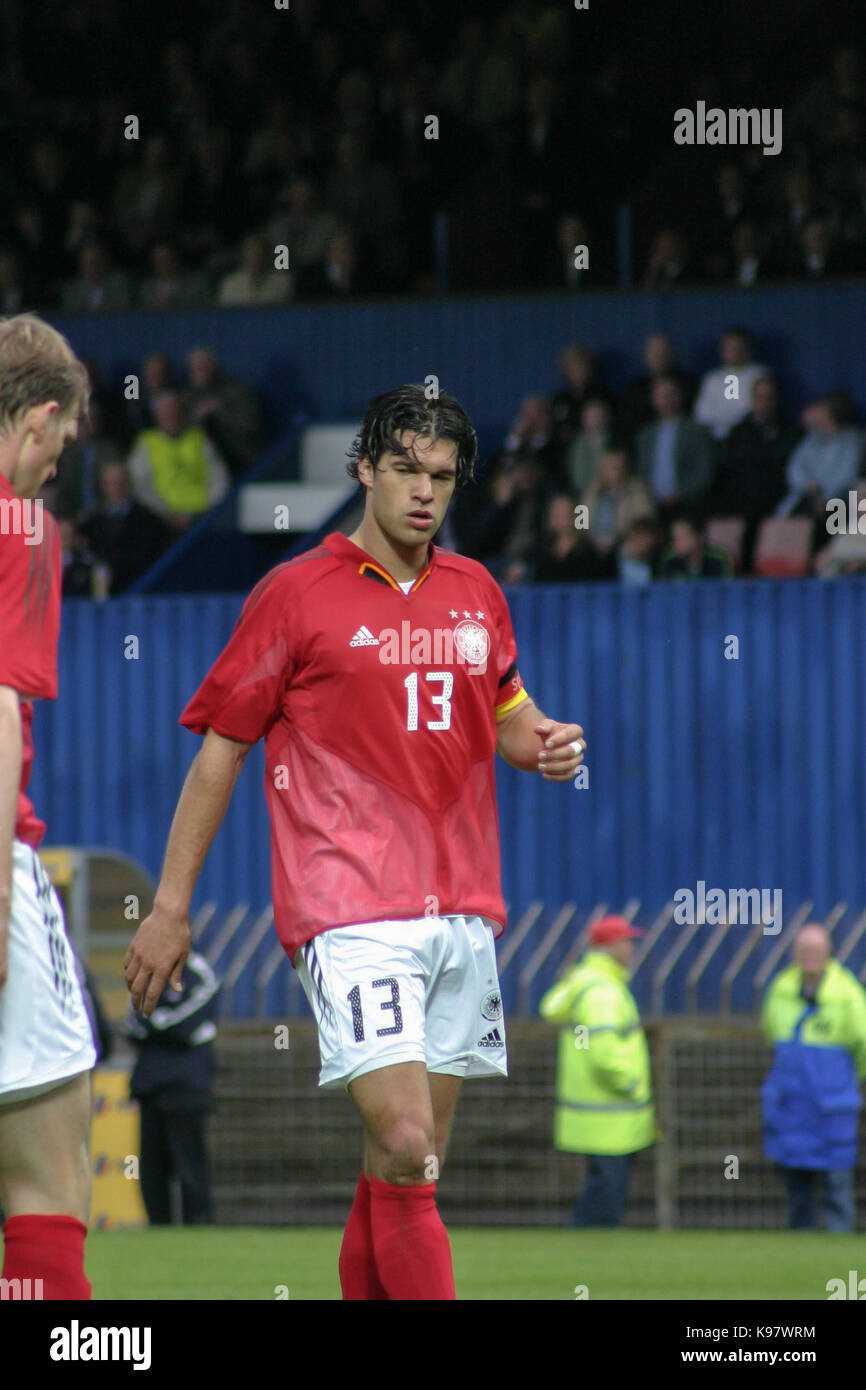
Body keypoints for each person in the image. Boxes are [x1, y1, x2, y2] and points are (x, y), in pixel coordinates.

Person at [123, 383, 587, 1300]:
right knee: (410, 1145)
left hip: (461, 908)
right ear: (364, 470)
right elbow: (221, 751)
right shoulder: (294, 594)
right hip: (347, 910)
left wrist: (546, 745)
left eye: (443, 477)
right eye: (406, 469)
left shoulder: (476, 593)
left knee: (402, 1165)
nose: (425, 491)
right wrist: (170, 907)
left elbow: (509, 714)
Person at [0, 312, 97, 1298]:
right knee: (50, 1175)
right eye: (58, 448)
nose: (53, 470)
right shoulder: (19, 527)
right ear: (36, 419)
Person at [539, 916, 655, 1227]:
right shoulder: (602, 992)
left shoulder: (586, 983)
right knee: (606, 1197)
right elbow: (604, 1053)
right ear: (610, 947)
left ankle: (581, 1250)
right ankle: (579, 1249)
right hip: (611, 1115)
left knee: (603, 1188)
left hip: (598, 1115)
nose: (632, 948)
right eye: (626, 941)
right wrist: (632, 1084)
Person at [761, 924, 866, 1232]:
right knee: (796, 1183)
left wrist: (845, 1081)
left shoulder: (846, 993)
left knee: (837, 1181)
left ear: (828, 953)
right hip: (792, 1103)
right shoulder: (780, 989)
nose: (810, 957)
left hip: (832, 1104)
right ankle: (799, 1242)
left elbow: (862, 1043)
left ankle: (838, 1242)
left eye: (816, 951)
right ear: (794, 954)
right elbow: (772, 1037)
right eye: (804, 950)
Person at [126, 951, 220, 1226]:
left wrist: (155, 1024)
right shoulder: (146, 969)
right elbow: (133, 1022)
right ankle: (158, 1232)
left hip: (186, 1087)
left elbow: (188, 1022)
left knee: (191, 1169)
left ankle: (199, 1230)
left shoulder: (199, 972)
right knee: (152, 1172)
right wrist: (158, 1025)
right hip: (149, 1086)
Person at [127, 390, 231, 531]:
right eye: (166, 414)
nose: (171, 418)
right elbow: (140, 486)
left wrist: (205, 513)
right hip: (163, 520)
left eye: (175, 413)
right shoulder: (146, 443)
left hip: (204, 518)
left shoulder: (200, 439)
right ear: (157, 417)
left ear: (182, 414)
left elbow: (219, 480)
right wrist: (165, 514)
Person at [634, 375, 715, 517]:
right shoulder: (645, 435)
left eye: (670, 395)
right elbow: (641, 472)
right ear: (654, 400)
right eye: (661, 396)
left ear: (679, 397)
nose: (666, 400)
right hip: (651, 506)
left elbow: (704, 472)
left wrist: (679, 495)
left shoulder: (696, 431)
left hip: (687, 505)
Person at [693, 328, 770, 442]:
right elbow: (701, 414)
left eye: (738, 348)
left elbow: (751, 411)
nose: (734, 352)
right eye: (729, 348)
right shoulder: (713, 378)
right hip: (715, 441)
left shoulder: (760, 375)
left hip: (751, 439)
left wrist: (722, 414)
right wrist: (731, 415)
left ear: (749, 349)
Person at [658, 511, 733, 579]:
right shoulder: (669, 559)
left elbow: (726, 589)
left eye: (682, 537)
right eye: (674, 537)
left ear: (699, 537)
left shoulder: (719, 558)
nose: (675, 543)